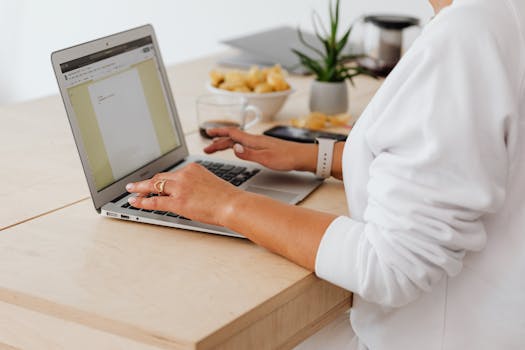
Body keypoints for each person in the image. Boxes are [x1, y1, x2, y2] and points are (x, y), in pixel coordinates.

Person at [125, 0, 525, 348]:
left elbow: (392, 266)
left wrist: (227, 204)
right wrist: (316, 156)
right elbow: (460, 159)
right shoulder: (496, 17)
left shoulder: (466, 37)